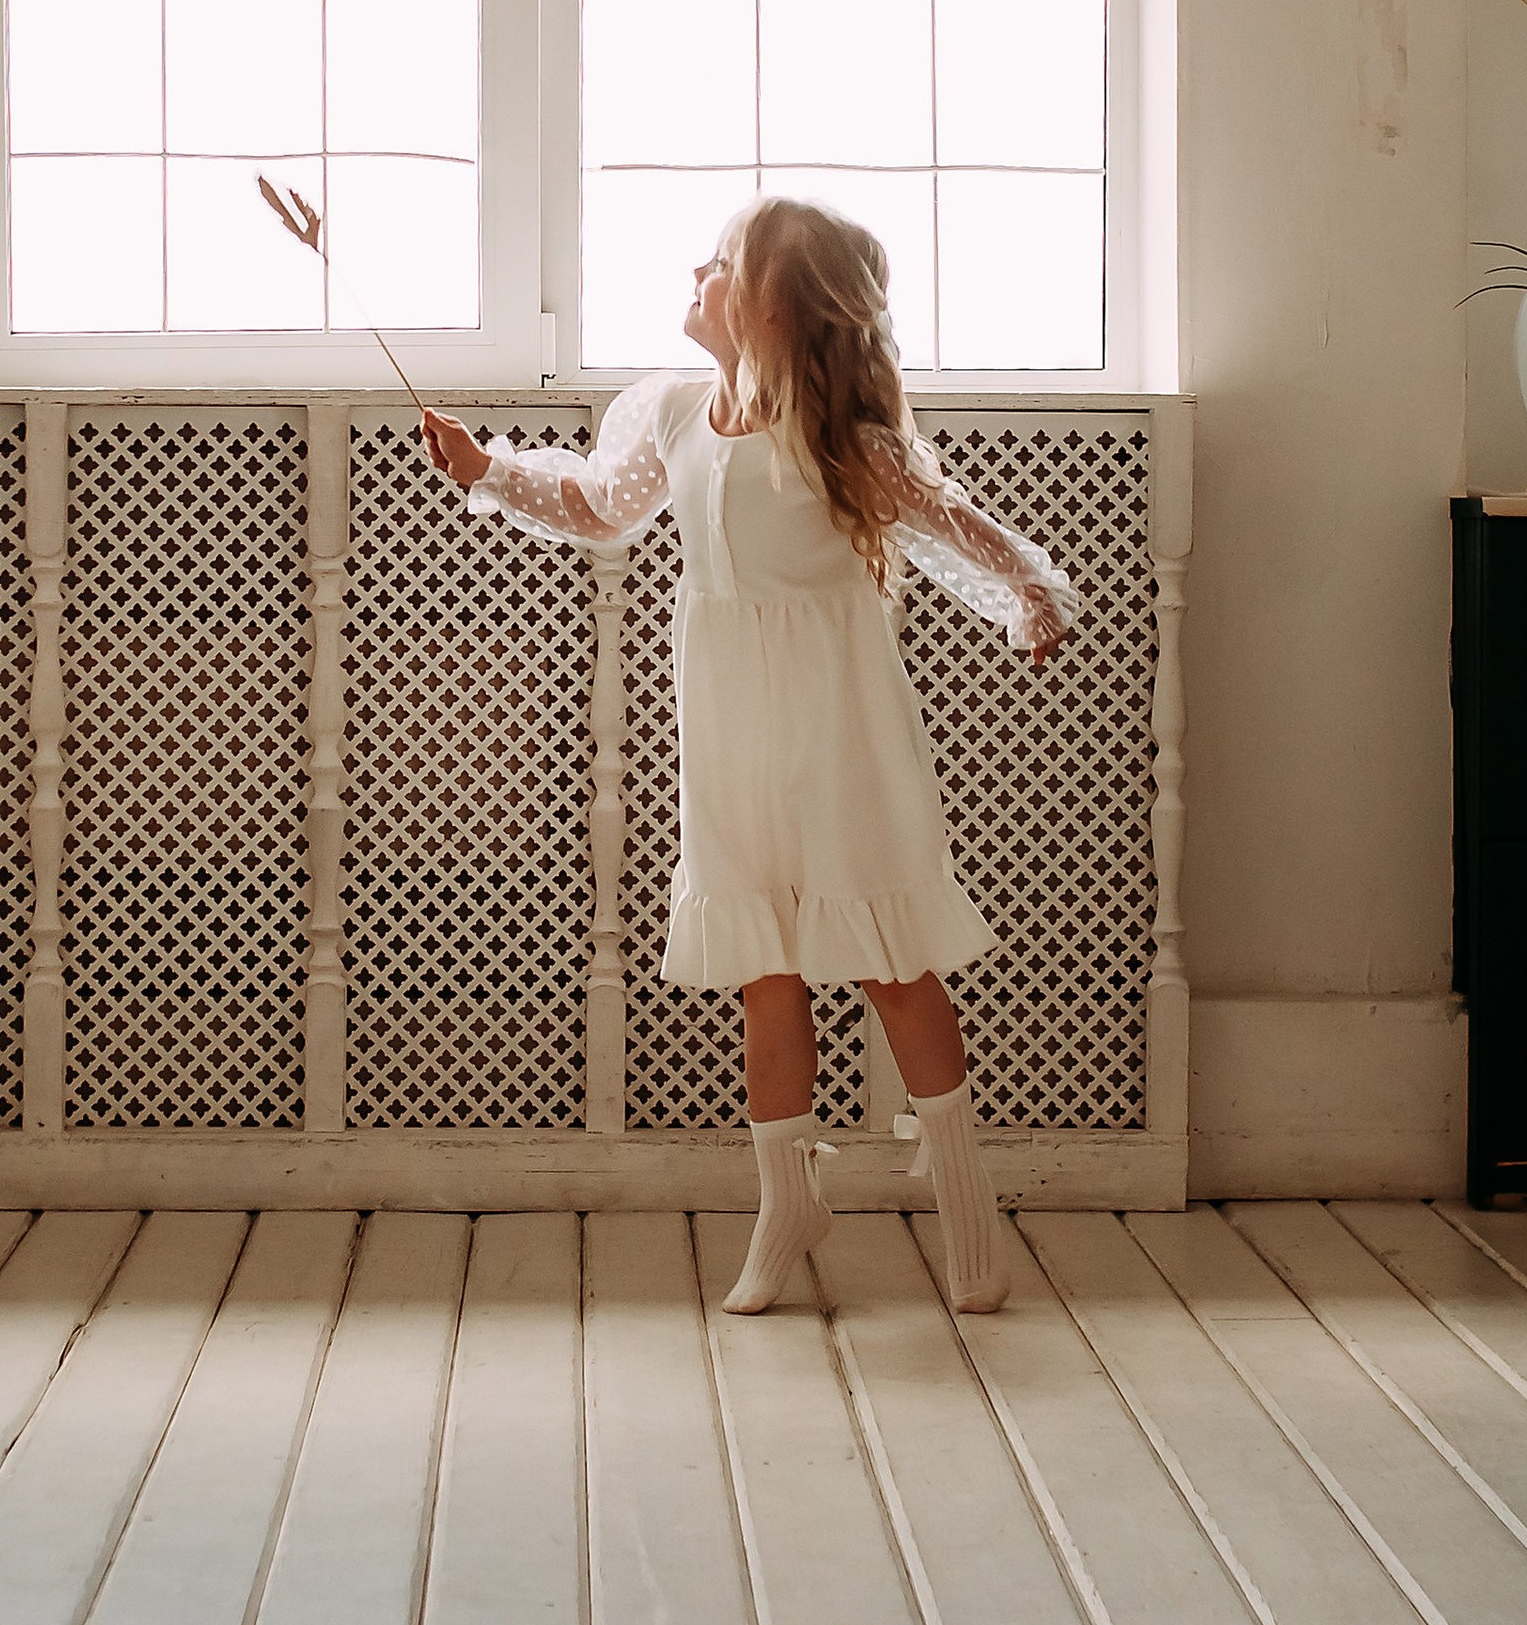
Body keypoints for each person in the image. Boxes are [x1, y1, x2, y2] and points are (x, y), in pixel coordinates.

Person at [421, 198, 1077, 1315]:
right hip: (728, 723)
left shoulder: (839, 443)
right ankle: (788, 1203)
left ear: (773, 307)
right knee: (761, 968)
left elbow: (953, 523)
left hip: (840, 730)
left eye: (721, 261)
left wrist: (1031, 594)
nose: (697, 268)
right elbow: (596, 506)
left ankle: (965, 1197)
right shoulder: (674, 414)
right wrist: (487, 468)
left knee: (889, 961)